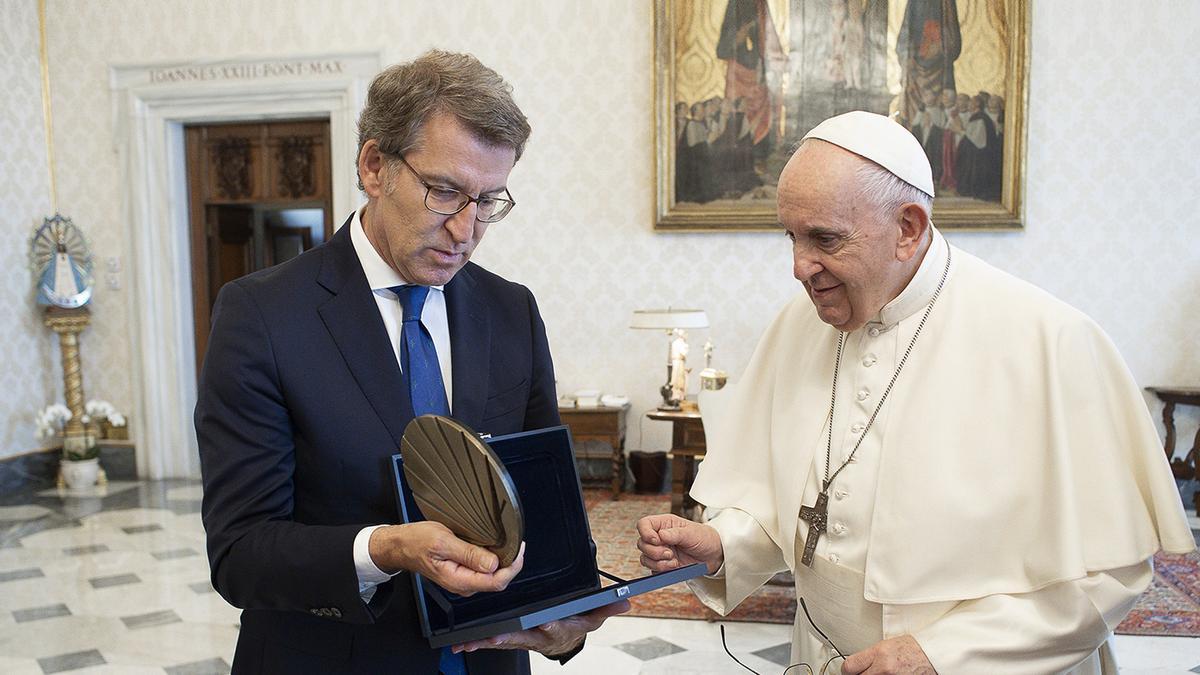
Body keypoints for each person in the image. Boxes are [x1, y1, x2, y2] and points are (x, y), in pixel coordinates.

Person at [637, 111, 1193, 674]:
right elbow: (790, 505)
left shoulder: (1050, 340)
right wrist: (723, 543)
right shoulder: (797, 325)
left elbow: (1107, 573)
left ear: (908, 228)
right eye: (792, 236)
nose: (799, 267)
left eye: (824, 239)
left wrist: (942, 656)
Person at [195, 50, 623, 674]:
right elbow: (241, 552)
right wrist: (387, 549)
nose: (465, 230)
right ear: (374, 167)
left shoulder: (512, 312)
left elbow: (544, 510)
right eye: (445, 192)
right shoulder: (261, 315)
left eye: (489, 201)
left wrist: (563, 624)